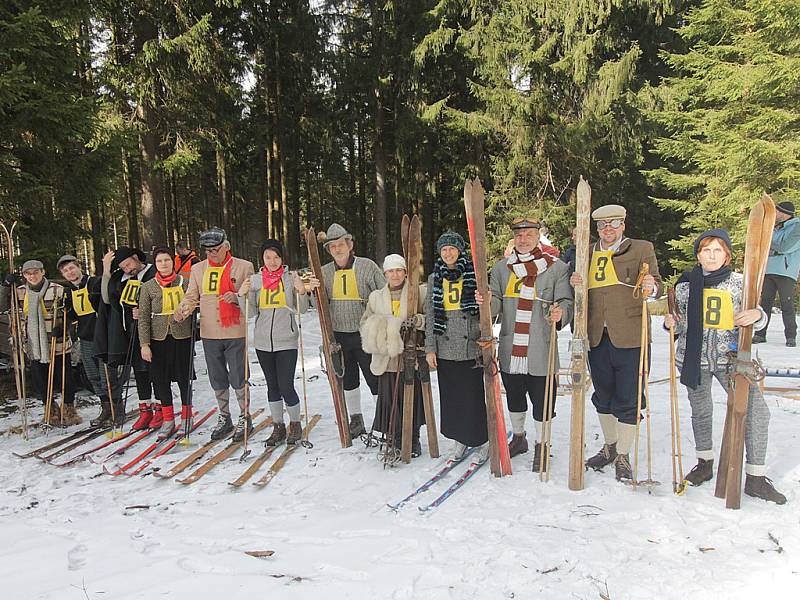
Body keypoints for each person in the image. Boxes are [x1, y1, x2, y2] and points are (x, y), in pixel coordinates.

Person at [665, 229, 785, 504]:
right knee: (701, 411)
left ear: (727, 255)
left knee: (756, 411)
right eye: (706, 250)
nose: (711, 255)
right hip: (693, 359)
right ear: (698, 254)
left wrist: (757, 314)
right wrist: (670, 323)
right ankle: (705, 462)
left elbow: (761, 314)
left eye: (717, 250)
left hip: (731, 359)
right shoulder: (685, 285)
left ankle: (755, 477)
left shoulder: (741, 283)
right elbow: (680, 321)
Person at [570, 205, 662, 481]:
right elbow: (575, 287)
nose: (608, 230)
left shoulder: (641, 248)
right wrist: (574, 281)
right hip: (597, 333)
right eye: (602, 226)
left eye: (613, 224)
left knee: (629, 396)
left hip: (630, 333)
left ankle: (623, 453)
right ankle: (610, 446)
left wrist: (651, 286)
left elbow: (655, 281)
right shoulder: (586, 251)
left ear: (623, 225)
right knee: (603, 393)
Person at [480, 217, 573, 469]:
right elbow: (496, 306)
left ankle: (542, 445)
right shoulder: (501, 268)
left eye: (529, 235)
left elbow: (566, 301)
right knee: (515, 396)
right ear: (514, 238)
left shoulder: (556, 268)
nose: (523, 239)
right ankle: (519, 438)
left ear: (537, 237)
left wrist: (560, 312)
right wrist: (487, 301)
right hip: (512, 347)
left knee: (543, 400)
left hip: (541, 346)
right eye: (519, 235)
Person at [175, 227, 255, 441]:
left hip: (235, 330)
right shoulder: (198, 269)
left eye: (216, 250)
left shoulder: (244, 267)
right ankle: (224, 416)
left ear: (226, 247)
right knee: (217, 377)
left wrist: (237, 298)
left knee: (239, 375)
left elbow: (253, 299)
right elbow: (192, 296)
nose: (212, 254)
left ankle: (245, 416)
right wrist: (183, 309)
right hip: (210, 331)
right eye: (208, 251)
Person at [309, 223, 385, 438]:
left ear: (349, 245)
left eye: (341, 244)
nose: (338, 249)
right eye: (333, 246)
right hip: (339, 336)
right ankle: (356, 420)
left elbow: (383, 294)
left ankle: (382, 420)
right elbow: (319, 306)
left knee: (374, 377)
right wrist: (311, 291)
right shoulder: (323, 272)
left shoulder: (367, 266)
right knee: (349, 379)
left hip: (365, 333)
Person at [424, 232, 488, 462]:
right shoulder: (434, 278)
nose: (448, 253)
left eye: (452, 248)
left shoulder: (475, 274)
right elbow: (430, 314)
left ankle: (481, 439)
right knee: (451, 396)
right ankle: (460, 439)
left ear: (460, 251)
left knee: (472, 395)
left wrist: (485, 336)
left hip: (470, 344)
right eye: (444, 249)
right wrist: (430, 348)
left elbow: (486, 311)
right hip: (445, 345)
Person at [240, 239, 309, 446]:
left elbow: (302, 309)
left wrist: (302, 291)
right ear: (262, 258)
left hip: (286, 340)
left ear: (282, 258)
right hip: (263, 342)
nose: (272, 261)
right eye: (268, 257)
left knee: (286, 385)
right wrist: (241, 295)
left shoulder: (290, 278)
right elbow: (250, 312)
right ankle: (278, 426)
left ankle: (295, 424)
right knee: (272, 386)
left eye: (276, 256)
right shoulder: (255, 280)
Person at [360, 254, 426, 458]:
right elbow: (365, 323)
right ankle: (393, 437)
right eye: (390, 271)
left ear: (405, 272)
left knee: (411, 396)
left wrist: (417, 321)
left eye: (399, 270)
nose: (395, 275)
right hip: (387, 356)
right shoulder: (376, 297)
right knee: (390, 398)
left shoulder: (417, 293)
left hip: (410, 355)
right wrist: (381, 328)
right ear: (385, 273)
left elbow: (428, 317)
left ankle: (413, 439)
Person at [1, 260, 79, 424]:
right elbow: (1, 304)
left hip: (57, 343)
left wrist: (64, 327)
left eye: (36, 272)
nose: (32, 276)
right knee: (40, 381)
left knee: (64, 378)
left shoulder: (57, 289)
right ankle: (50, 410)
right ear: (24, 275)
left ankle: (68, 410)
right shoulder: (19, 292)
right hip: (34, 345)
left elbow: (71, 313)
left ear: (43, 272)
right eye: (28, 273)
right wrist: (5, 286)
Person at [95, 246, 157, 430]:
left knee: (157, 373)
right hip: (131, 332)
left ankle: (162, 410)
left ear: (136, 257)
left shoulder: (152, 272)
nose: (127, 269)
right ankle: (146, 411)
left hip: (155, 330)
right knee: (140, 372)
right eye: (122, 267)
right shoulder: (121, 279)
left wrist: (147, 310)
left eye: (128, 264)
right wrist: (106, 270)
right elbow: (107, 299)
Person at [138, 247, 193, 440]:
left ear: (173, 262)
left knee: (183, 377)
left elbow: (193, 304)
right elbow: (143, 317)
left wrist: (187, 311)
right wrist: (144, 344)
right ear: (156, 264)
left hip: (182, 336)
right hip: (158, 338)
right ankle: (168, 419)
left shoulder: (185, 282)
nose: (164, 264)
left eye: (167, 260)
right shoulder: (148, 286)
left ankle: (187, 416)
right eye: (160, 261)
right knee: (160, 380)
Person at [57, 254, 118, 426]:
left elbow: (107, 298)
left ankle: (116, 408)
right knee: (93, 376)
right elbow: (72, 314)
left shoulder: (94, 282)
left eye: (71, 268)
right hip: (85, 338)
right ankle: (105, 407)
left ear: (78, 267)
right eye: (65, 271)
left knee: (106, 375)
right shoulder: (69, 292)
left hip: (102, 336)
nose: (70, 272)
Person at [753, 201, 799, 347]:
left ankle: (791, 336)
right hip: (768, 269)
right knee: (765, 303)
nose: (775, 214)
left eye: (777, 211)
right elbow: (760, 242)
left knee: (787, 304)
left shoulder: (797, 227)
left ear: (785, 213)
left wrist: (769, 247)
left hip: (786, 271)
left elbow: (785, 246)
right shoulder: (774, 228)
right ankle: (760, 334)